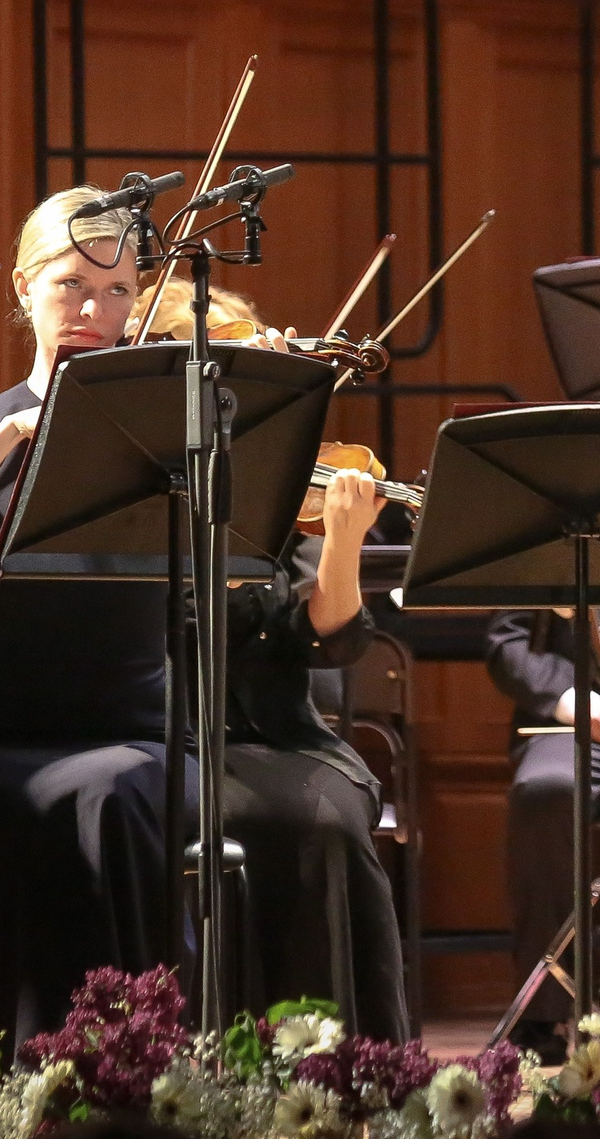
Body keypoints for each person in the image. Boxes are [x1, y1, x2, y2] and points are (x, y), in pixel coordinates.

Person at [0, 187, 180, 1043]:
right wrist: (11, 434)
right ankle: (56, 1057)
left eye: (120, 289)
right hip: (7, 734)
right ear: (23, 286)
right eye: (71, 285)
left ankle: (128, 1052)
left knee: (111, 795)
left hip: (145, 731)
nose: (95, 309)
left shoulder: (165, 432)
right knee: (67, 804)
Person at [128, 280, 411, 1040]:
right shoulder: (142, 481)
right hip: (171, 732)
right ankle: (241, 1053)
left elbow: (332, 636)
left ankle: (357, 1063)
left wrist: (345, 540)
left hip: (280, 729)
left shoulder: (279, 480)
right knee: (281, 819)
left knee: (337, 822)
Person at [482, 607, 600, 1057]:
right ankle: (542, 1014)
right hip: (576, 719)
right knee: (543, 793)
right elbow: (507, 643)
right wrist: (578, 700)